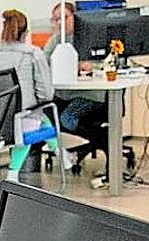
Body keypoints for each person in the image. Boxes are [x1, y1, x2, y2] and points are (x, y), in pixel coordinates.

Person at [0, 9, 55, 172]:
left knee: (39, 117)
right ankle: (14, 172)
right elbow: (46, 95)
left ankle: (63, 157)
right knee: (40, 114)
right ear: (26, 33)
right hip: (22, 122)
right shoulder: (33, 54)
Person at [45, 2, 109, 154]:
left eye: (65, 17)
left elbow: (107, 63)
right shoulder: (55, 41)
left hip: (89, 94)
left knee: (67, 118)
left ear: (75, 17)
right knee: (45, 117)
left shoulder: (91, 37)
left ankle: (103, 141)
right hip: (64, 94)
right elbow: (44, 62)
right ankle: (95, 141)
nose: (60, 22)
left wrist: (92, 67)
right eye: (56, 19)